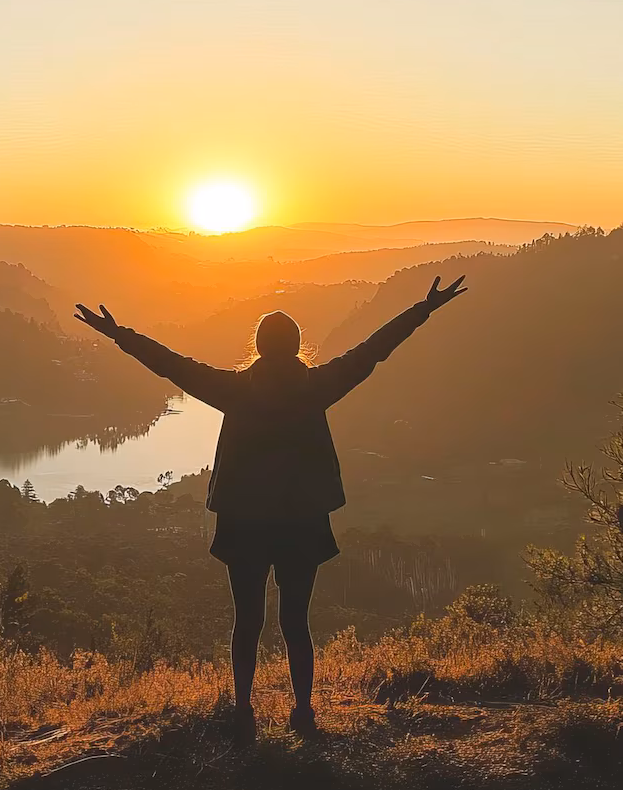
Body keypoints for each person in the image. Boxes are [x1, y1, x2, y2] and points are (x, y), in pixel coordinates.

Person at [75, 272, 467, 745]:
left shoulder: (234, 390)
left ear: (258, 348)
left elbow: (171, 365)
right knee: (296, 621)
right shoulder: (318, 386)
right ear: (297, 346)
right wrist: (423, 310)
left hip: (244, 522)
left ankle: (243, 712)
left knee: (247, 621)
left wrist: (120, 335)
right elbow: (373, 350)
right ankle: (303, 713)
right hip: (302, 521)